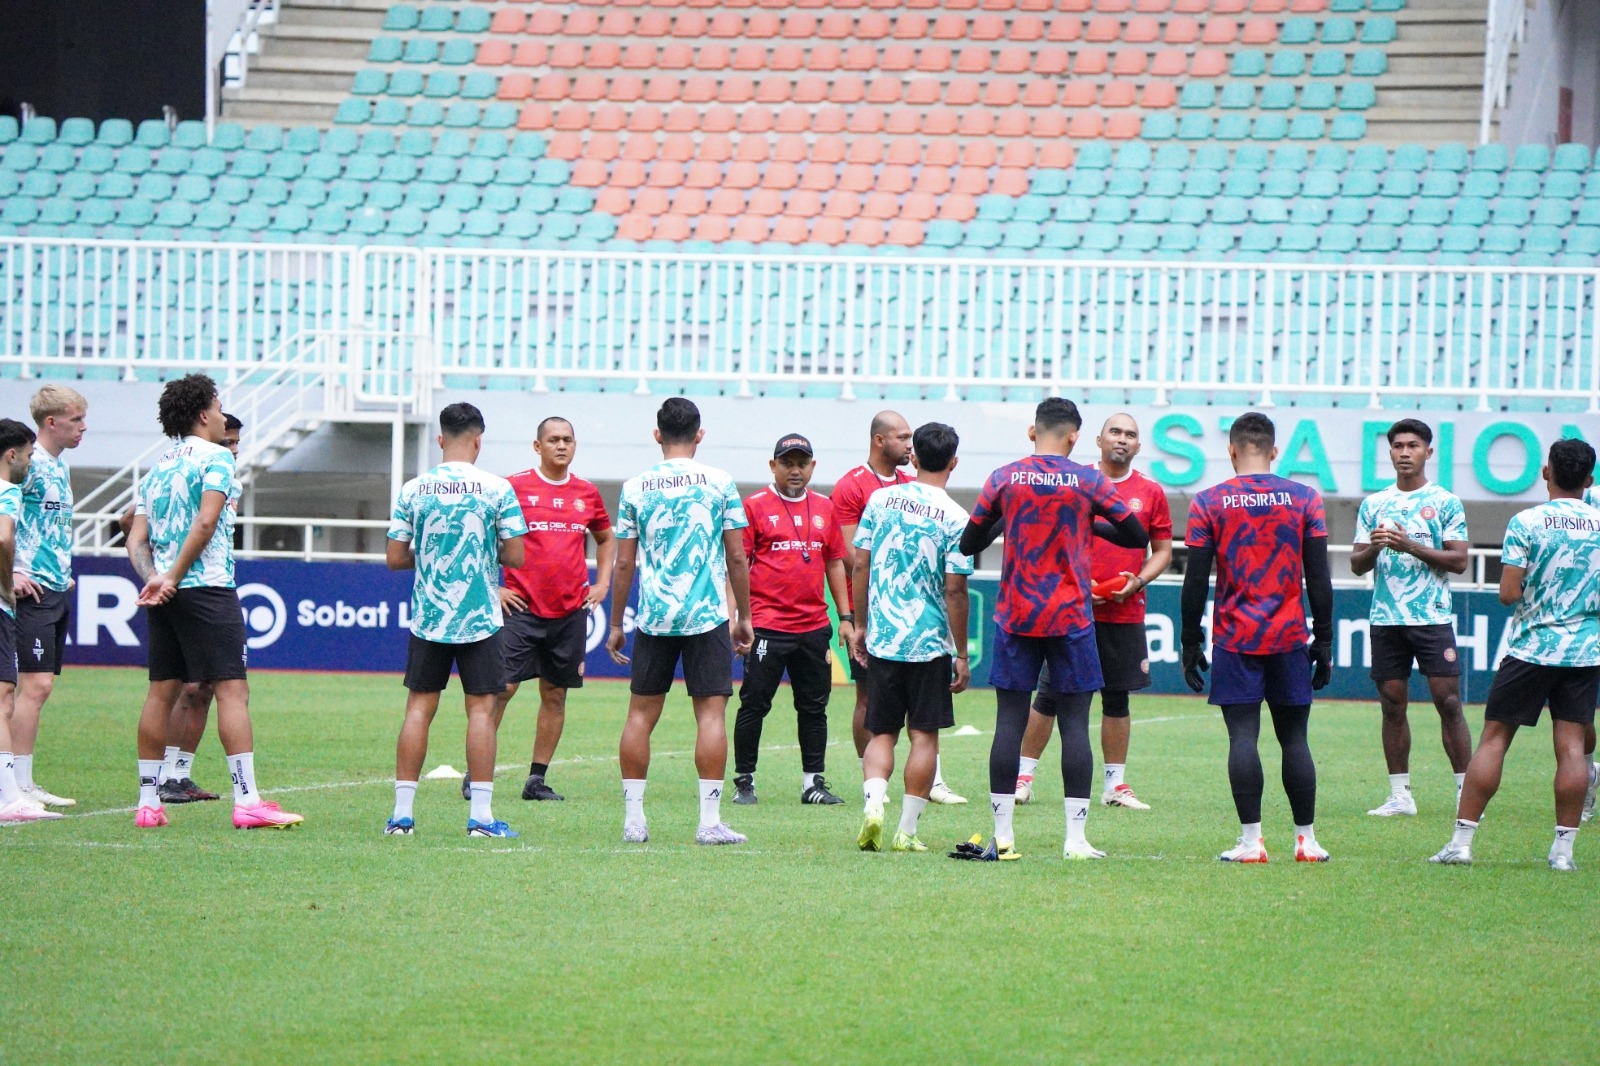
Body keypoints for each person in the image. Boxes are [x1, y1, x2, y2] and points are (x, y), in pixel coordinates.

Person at [961, 400, 1150, 861]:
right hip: (1071, 617)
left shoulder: (1005, 477)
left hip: (1017, 615)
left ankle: (1003, 836)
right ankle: (1076, 840)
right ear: (1075, 437)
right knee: (1075, 725)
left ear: (1033, 432)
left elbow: (968, 543)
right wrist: (1088, 522)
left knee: (1009, 723)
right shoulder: (1088, 481)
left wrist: (1011, 516)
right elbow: (1136, 535)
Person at [126, 374, 302, 830]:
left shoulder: (158, 467)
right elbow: (205, 523)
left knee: (160, 692)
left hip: (166, 594)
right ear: (204, 414)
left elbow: (135, 538)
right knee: (232, 691)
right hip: (207, 587)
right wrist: (174, 576)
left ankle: (148, 803)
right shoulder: (217, 458)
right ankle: (248, 801)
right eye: (220, 408)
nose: (224, 417)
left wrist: (155, 579)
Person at [1431, 439, 1600, 871]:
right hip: (1583, 652)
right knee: (1572, 748)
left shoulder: (1527, 521)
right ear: (1589, 479)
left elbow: (1508, 594)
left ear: (1546, 473)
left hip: (1530, 648)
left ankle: (1461, 843)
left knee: (1494, 740)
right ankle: (1563, 854)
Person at [1181, 412, 1334, 864]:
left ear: (1231, 451)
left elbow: (1195, 581)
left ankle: (1252, 843)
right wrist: (1323, 639)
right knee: (1295, 739)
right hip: (1289, 636)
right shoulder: (1306, 499)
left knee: (1243, 738)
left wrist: (1190, 640)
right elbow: (1319, 577)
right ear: (1274, 451)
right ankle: (1307, 841)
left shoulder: (1208, 501)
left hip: (1236, 637)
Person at [606, 397, 754, 846]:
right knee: (710, 714)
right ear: (699, 434)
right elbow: (736, 557)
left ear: (657, 434)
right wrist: (743, 615)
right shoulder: (720, 482)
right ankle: (709, 822)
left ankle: (634, 821)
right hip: (707, 615)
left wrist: (616, 624)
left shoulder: (635, 487)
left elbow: (624, 564)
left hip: (655, 616)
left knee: (640, 715)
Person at [1013, 412, 1173, 812]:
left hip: (1125, 612)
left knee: (1117, 699)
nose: (1122, 439)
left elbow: (1163, 551)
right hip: (1070, 610)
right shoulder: (1077, 481)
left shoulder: (1151, 492)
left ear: (1138, 446)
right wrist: (1075, 587)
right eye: (1114, 432)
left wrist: (1137, 581)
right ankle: (1023, 778)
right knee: (1048, 696)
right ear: (1098, 441)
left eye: (1130, 434)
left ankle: (1115, 785)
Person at [385, 403, 527, 838]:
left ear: (440, 439)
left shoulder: (414, 489)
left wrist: (433, 559)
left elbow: (395, 558)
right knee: (481, 711)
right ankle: (481, 818)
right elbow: (516, 556)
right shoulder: (497, 488)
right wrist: (479, 552)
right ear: (478, 440)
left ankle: (401, 817)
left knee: (418, 709)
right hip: (479, 616)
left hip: (430, 616)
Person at [470, 416, 614, 804]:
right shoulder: (512, 487)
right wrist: (494, 585)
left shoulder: (586, 492)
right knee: (501, 690)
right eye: (553, 440)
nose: (561, 445)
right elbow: (479, 537)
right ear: (538, 446)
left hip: (569, 611)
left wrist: (602, 583)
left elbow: (605, 538)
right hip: (520, 607)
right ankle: (476, 771)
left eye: (568, 439)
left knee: (555, 695)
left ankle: (536, 779)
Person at [849, 422, 972, 854]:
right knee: (924, 736)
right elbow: (955, 590)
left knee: (881, 732)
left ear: (914, 456)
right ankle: (906, 831)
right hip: (928, 643)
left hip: (884, 638)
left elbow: (860, 565)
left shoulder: (881, 500)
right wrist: (961, 652)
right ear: (954, 462)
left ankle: (873, 804)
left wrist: (860, 624)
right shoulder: (957, 518)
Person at [1351, 419, 1473, 817]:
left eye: (1413, 445)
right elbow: (1356, 563)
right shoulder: (1374, 504)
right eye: (1398, 446)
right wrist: (1376, 548)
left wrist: (1410, 545)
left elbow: (1459, 561)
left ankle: (1466, 794)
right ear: (1390, 452)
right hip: (1386, 617)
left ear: (1428, 452)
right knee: (1391, 703)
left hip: (1432, 617)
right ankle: (1400, 796)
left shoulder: (1445, 501)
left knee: (1448, 701)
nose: (1405, 452)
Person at [732, 433, 853, 806]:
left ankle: (812, 783)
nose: (795, 470)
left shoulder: (825, 507)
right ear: (773, 466)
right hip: (767, 625)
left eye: (802, 463)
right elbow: (738, 563)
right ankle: (744, 781)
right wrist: (737, 615)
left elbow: (835, 562)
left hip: (814, 627)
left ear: (812, 466)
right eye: (787, 463)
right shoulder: (754, 506)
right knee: (754, 704)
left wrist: (846, 616)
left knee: (814, 707)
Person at [154, 412, 242, 805]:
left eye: (237, 443)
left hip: (197, 582)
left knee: (202, 688)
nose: (233, 449)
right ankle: (166, 775)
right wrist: (167, 571)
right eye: (228, 441)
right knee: (195, 687)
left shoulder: (227, 478)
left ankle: (178, 775)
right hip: (197, 586)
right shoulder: (202, 467)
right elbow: (131, 521)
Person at [10, 386, 87, 809]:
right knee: (34, 686)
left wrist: (62, 570)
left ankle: (23, 781)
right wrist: (13, 571)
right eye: (76, 419)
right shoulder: (28, 464)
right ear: (52, 422)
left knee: (41, 687)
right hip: (31, 589)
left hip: (56, 585)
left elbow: (49, 526)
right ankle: (15, 786)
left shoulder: (60, 466)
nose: (83, 427)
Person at [0, 419, 61, 823]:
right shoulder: (6, 490)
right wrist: (7, 583)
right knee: (4, 697)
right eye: (28, 454)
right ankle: (9, 797)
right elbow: (4, 538)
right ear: (11, 454)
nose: (31, 461)